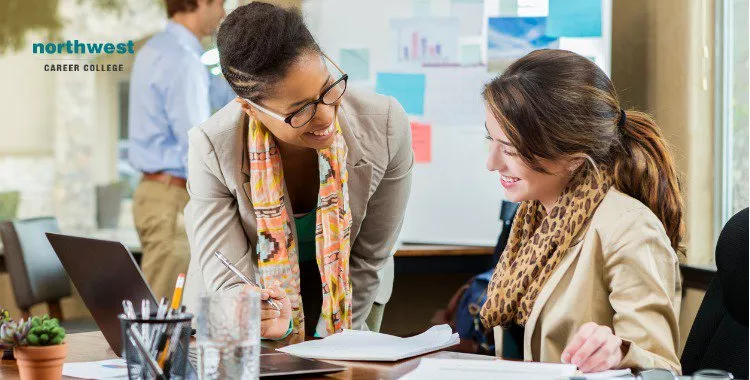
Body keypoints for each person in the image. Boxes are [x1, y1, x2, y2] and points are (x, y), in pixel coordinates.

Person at [182, 3, 413, 340]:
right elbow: (230, 279)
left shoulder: (386, 125)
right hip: (253, 291)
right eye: (300, 110)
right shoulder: (211, 146)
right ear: (249, 108)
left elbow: (368, 258)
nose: (325, 117)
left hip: (349, 292)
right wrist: (260, 315)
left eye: (328, 89)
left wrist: (334, 343)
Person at [479, 49, 684, 373]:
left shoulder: (629, 229)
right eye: (490, 140)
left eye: (510, 149)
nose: (491, 163)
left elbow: (662, 370)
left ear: (574, 155)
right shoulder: (531, 222)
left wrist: (619, 353)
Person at [128, 0, 233, 301]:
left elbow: (222, 98)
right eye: (221, 4)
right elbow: (197, 143)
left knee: (161, 311)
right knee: (161, 316)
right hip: (171, 197)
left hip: (158, 193)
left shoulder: (164, 49)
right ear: (201, 2)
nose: (224, 13)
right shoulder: (181, 59)